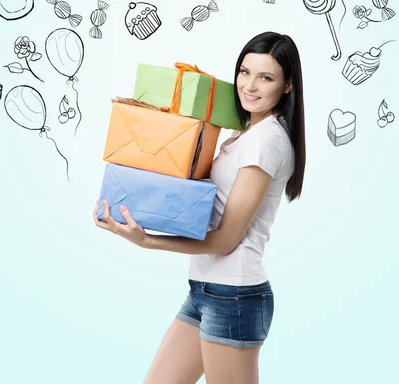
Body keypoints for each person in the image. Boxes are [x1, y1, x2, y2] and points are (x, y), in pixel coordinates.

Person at [94, 31, 306, 384]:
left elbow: (225, 241)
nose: (250, 86)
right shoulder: (245, 133)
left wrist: (147, 241)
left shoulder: (267, 140)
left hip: (234, 295)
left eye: (265, 77)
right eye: (244, 72)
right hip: (204, 290)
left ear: (287, 86)